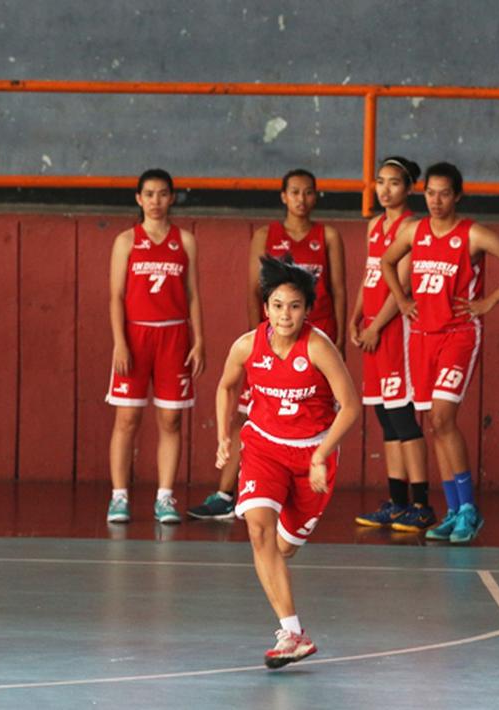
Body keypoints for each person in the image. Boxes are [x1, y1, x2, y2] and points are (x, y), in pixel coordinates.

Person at [380, 162, 499, 544]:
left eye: (444, 193)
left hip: (458, 334)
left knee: (443, 416)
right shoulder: (414, 231)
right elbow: (386, 262)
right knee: (435, 424)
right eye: (430, 193)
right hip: (421, 336)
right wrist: (402, 300)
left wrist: (490, 301)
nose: (436, 200)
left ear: (458, 195)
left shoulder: (472, 234)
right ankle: (453, 511)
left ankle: (468, 509)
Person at [216, 254, 360, 669]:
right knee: (259, 532)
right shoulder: (247, 346)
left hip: (313, 456)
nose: (285, 314)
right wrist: (225, 434)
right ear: (266, 308)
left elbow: (350, 406)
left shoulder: (318, 347)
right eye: (277, 305)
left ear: (307, 310)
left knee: (283, 547)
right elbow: (226, 386)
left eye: (294, 306)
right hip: (263, 448)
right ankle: (292, 632)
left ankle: (288, 613)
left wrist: (320, 454)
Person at [189, 169, 346, 520]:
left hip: (313, 346)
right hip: (272, 345)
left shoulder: (328, 235)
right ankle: (227, 492)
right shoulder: (266, 235)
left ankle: (297, 491)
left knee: (308, 420)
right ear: (283, 196)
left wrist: (338, 340)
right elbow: (253, 290)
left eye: (308, 192)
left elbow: (338, 289)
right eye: (294, 192)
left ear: (316, 196)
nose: (301, 199)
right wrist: (259, 336)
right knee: (250, 414)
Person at [104, 169, 204, 524]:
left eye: (163, 194)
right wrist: (120, 342)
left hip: (174, 336)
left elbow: (192, 295)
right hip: (136, 335)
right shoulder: (126, 241)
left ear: (172, 197)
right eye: (149, 194)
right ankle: (119, 496)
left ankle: (165, 496)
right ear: (138, 198)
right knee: (127, 419)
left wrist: (200, 339)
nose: (156, 201)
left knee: (171, 420)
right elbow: (116, 296)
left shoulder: (185, 241)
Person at [351, 157, 436, 531]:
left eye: (394, 183)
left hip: (394, 329)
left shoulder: (412, 227)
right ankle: (397, 502)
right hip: (372, 327)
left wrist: (376, 327)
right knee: (384, 415)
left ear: (409, 188)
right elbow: (370, 275)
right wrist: (357, 316)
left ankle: (421, 503)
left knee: (401, 413)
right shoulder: (375, 225)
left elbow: (400, 287)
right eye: (380, 182)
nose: (385, 190)